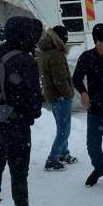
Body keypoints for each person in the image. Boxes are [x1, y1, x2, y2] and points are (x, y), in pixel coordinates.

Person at [0, 16, 47, 206]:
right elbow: (30, 96)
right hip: (15, 121)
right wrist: (33, 113)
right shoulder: (24, 59)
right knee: (19, 170)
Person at [73, 23, 103, 190]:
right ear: (97, 41)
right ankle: (99, 168)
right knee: (92, 145)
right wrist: (83, 93)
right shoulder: (87, 57)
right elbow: (76, 79)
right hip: (95, 111)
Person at [37, 25, 77, 171]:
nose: (67, 39)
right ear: (59, 38)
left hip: (52, 96)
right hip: (60, 97)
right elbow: (60, 80)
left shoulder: (45, 52)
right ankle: (52, 159)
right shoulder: (56, 54)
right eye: (65, 36)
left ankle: (63, 153)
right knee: (64, 130)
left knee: (61, 126)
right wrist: (69, 93)